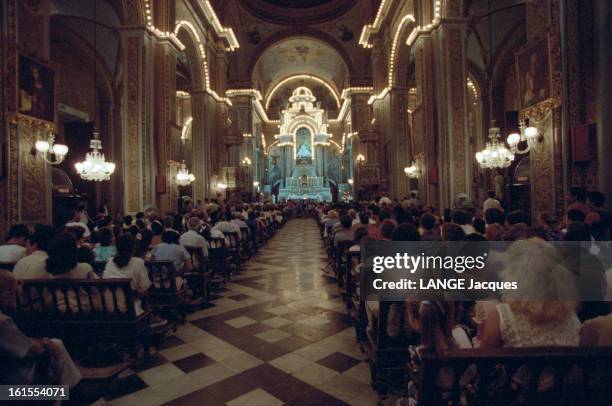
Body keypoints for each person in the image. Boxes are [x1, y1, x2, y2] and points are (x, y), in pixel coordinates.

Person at [0, 270, 81, 387]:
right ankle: (66, 394)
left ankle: (68, 392)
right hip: (10, 391)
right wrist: (47, 344)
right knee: (56, 346)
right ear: (5, 293)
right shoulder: (3, 322)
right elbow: (32, 350)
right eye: (13, 291)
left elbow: (18, 343)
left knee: (54, 346)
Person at [103, 234, 162, 325]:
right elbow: (144, 287)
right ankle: (150, 317)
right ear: (133, 247)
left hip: (109, 306)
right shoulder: (137, 262)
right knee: (147, 290)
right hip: (129, 307)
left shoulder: (110, 262)